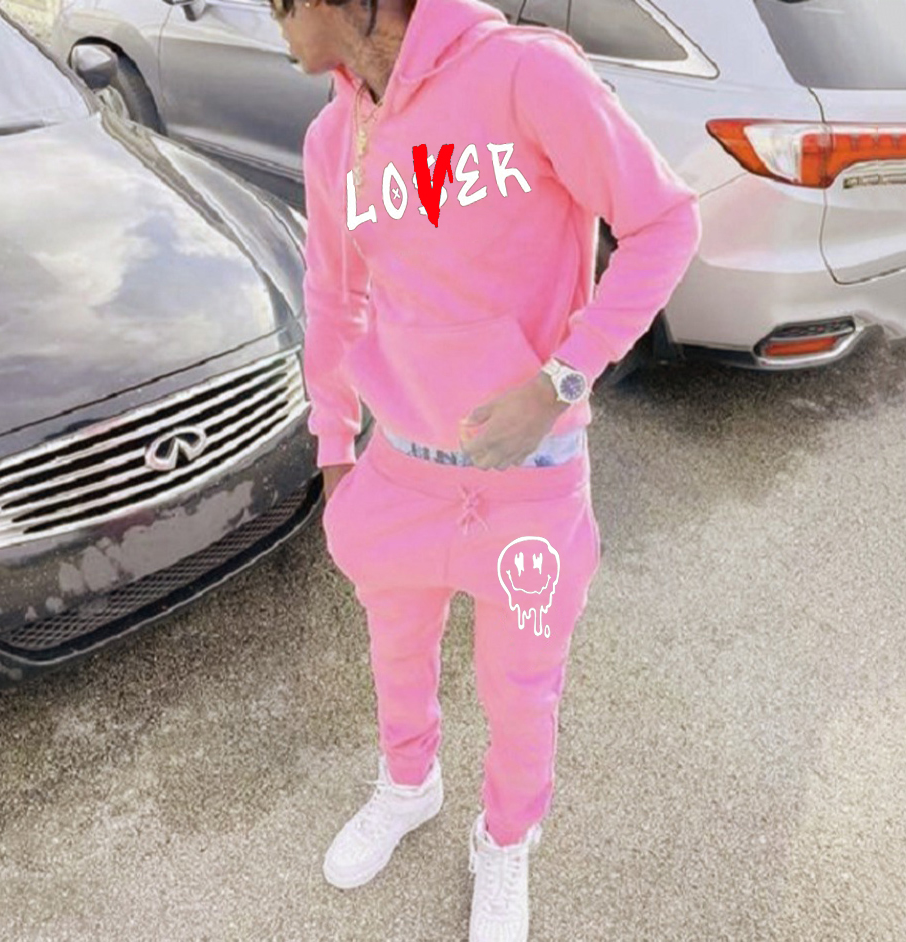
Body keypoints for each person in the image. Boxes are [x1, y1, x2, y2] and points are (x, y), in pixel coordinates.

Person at [271, 0, 701, 937]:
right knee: (396, 656)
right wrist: (336, 448)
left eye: (277, 4)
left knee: (522, 689)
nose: (275, 24)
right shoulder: (332, 136)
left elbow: (665, 223)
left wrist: (558, 382)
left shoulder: (526, 74)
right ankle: (408, 784)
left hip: (529, 482)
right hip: (401, 471)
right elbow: (335, 297)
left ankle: (505, 840)